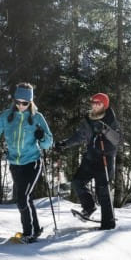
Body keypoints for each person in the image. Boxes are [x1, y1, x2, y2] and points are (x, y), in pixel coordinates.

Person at [0, 83, 54, 242]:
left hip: (32, 162)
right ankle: (36, 228)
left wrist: (42, 137)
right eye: (17, 102)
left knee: (22, 199)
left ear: (30, 103)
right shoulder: (6, 116)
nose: (20, 106)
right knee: (26, 198)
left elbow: (48, 143)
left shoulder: (37, 117)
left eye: (25, 103)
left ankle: (29, 234)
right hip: (15, 165)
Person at [55, 93, 122, 230]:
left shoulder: (111, 119)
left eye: (99, 103)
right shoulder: (88, 118)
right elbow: (80, 136)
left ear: (105, 105)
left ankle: (108, 223)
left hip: (105, 158)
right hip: (91, 157)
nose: (95, 105)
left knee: (103, 190)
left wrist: (105, 130)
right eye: (93, 102)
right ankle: (89, 207)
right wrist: (65, 144)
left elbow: (118, 140)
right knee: (77, 182)